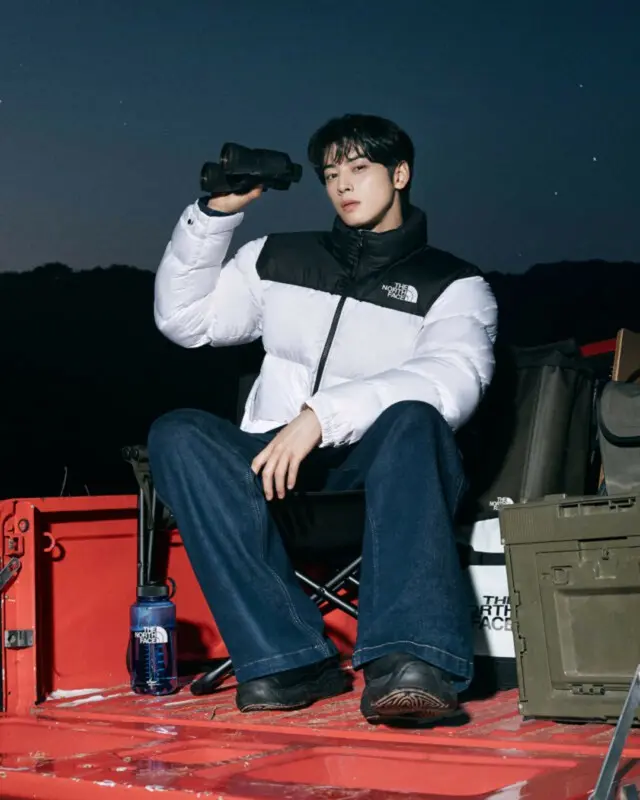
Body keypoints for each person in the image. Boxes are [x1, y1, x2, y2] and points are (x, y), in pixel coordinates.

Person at [148, 113, 498, 724]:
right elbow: (186, 321)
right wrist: (214, 217)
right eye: (332, 174)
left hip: (373, 481)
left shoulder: (454, 284)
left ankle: (410, 665)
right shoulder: (276, 256)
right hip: (272, 468)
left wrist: (320, 417)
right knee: (177, 432)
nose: (344, 185)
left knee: (416, 418)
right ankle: (289, 661)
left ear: (400, 174)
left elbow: (452, 379)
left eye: (359, 168)